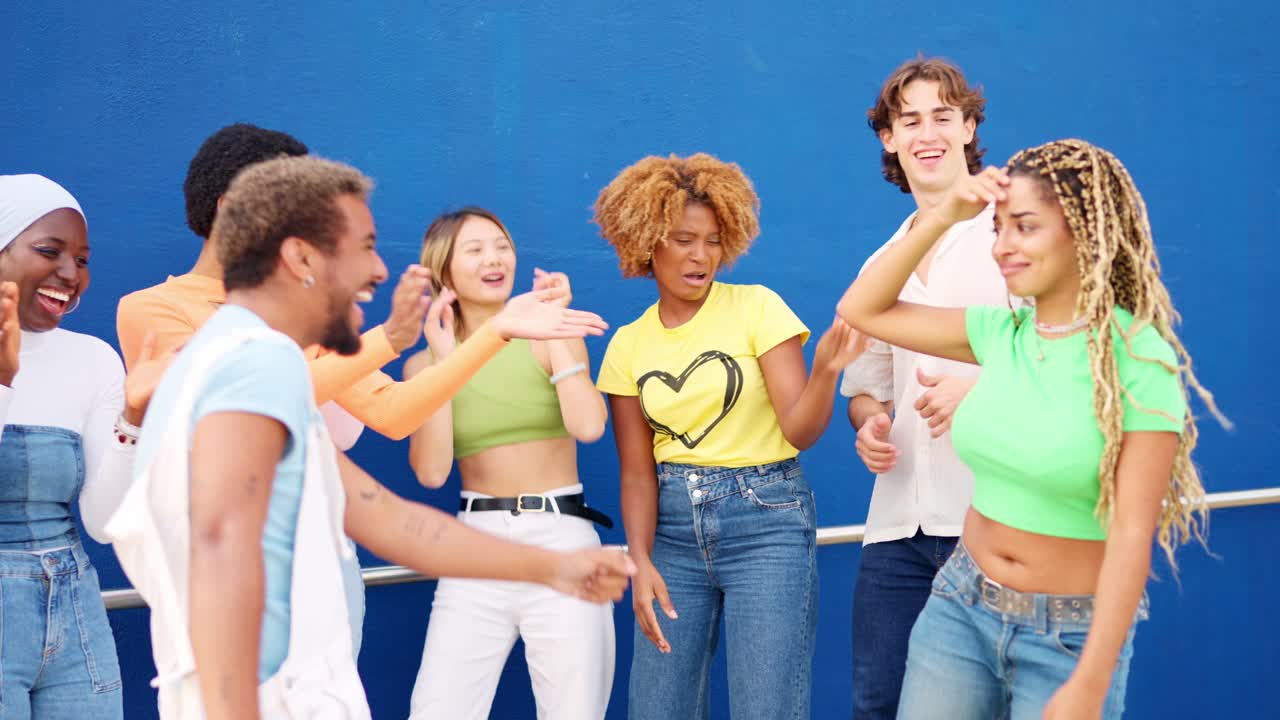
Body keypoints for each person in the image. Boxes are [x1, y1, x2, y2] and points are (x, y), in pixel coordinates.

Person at [104, 155, 635, 720]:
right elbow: (220, 582)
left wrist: (553, 568)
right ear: (300, 257)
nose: (380, 270)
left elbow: (392, 520)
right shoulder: (237, 376)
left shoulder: (272, 373)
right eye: (361, 247)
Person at [837, 139, 1225, 719]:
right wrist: (942, 217)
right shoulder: (1003, 333)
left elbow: (1131, 535)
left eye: (1024, 227)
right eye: (997, 228)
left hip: (1068, 636)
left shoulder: (1138, 358)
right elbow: (863, 309)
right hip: (959, 609)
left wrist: (1090, 683)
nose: (1002, 247)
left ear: (1083, 232)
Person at [110, 123, 526, 656]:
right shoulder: (152, 310)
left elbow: (394, 413)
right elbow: (249, 399)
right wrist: (389, 339)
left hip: (327, 562)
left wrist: (496, 333)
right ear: (231, 205)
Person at [593, 153, 864, 720]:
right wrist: (640, 562)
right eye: (684, 239)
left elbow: (801, 429)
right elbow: (638, 471)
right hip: (669, 536)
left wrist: (827, 372)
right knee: (657, 709)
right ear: (647, 241)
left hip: (767, 524)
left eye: (713, 241)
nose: (700, 255)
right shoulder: (627, 346)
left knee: (767, 708)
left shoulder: (757, 307)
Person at [842, 56, 1010, 719]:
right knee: (878, 704)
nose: (926, 133)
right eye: (908, 120)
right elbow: (867, 388)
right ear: (888, 138)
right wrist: (869, 423)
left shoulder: (1012, 230)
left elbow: (1066, 351)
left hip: (990, 518)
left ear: (969, 127)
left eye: (943, 116)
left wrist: (982, 392)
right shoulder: (882, 263)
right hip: (895, 531)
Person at [405, 208, 615, 720]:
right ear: (444, 270)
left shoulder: (550, 338)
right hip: (474, 545)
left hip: (561, 533)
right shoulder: (423, 364)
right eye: (474, 250)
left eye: (501, 246)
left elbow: (588, 426)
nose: (494, 259)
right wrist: (446, 363)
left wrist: (558, 333)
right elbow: (431, 473)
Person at [0, 174, 145, 718]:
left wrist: (133, 420)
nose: (70, 274)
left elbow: (105, 524)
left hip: (75, 611)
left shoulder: (93, 358)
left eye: (81, 259)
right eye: (49, 251)